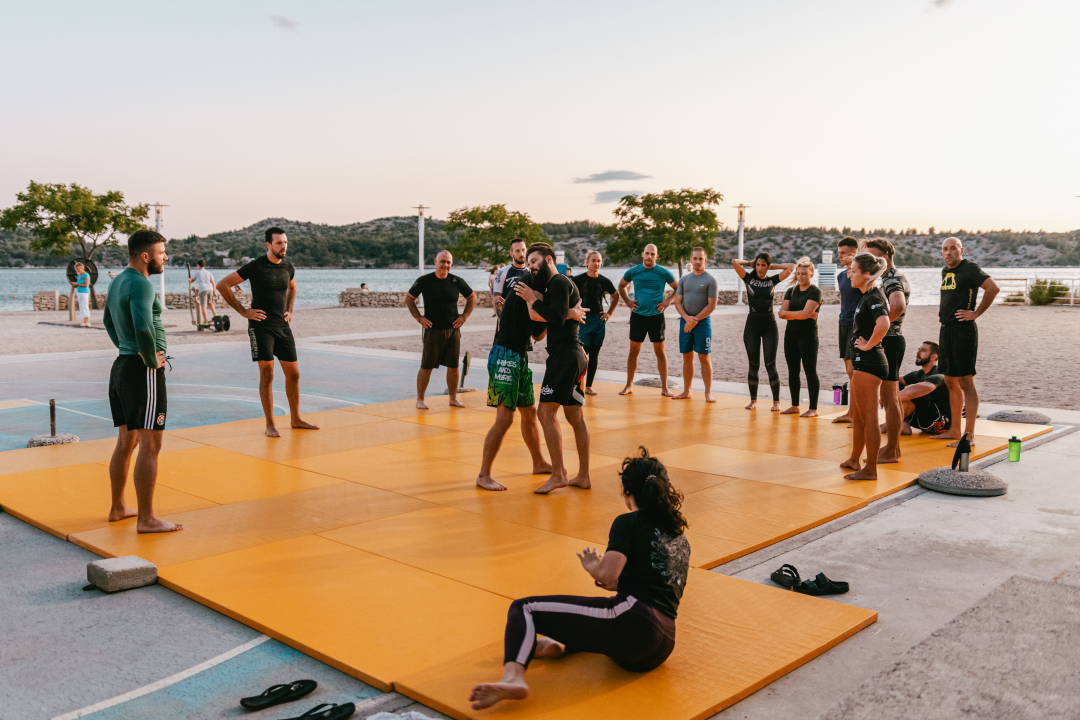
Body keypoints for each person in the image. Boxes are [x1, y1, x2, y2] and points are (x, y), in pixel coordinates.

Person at [469, 447, 689, 711]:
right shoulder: (679, 537)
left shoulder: (629, 522)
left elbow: (608, 576)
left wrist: (593, 566)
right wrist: (608, 578)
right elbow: (635, 584)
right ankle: (559, 644)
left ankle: (512, 678)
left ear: (627, 493)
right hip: (660, 648)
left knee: (524, 608)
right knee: (600, 615)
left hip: (635, 624)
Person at [101, 230, 182, 534]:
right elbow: (144, 328)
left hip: (123, 366)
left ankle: (118, 507)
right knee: (151, 444)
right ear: (146, 256)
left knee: (127, 441)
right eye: (161, 253)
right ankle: (146, 519)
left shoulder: (118, 281)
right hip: (142, 371)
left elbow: (108, 322)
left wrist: (125, 347)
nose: (165, 257)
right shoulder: (141, 284)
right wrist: (149, 359)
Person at [217, 227, 320, 437]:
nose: (284, 246)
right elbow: (223, 285)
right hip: (261, 326)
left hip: (282, 325)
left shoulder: (288, 267)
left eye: (285, 242)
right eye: (279, 243)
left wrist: (290, 310)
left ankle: (296, 418)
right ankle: (270, 424)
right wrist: (243, 311)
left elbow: (292, 288)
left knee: (294, 374)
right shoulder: (256, 266)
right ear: (268, 245)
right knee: (267, 374)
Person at [514, 243, 590, 495]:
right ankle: (584, 476)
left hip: (565, 357)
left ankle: (558, 475)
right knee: (575, 417)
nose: (531, 267)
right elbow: (549, 320)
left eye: (534, 261)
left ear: (549, 259)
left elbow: (555, 318)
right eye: (529, 263)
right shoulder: (558, 284)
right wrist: (537, 302)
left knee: (545, 413)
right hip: (575, 356)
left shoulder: (558, 282)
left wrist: (531, 299)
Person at [476, 267, 555, 491]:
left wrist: (547, 311)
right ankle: (483, 475)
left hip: (519, 357)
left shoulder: (534, 295)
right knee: (505, 418)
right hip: (504, 355)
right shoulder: (526, 287)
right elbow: (539, 332)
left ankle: (539, 462)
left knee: (529, 412)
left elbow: (537, 334)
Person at [933, 237, 999, 446]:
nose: (948, 252)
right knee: (950, 381)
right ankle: (954, 430)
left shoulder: (970, 268)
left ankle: (969, 435)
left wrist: (976, 313)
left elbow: (993, 288)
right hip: (946, 330)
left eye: (953, 248)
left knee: (965, 382)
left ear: (961, 250)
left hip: (963, 331)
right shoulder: (945, 271)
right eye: (945, 249)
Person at [840, 252, 891, 481]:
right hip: (864, 363)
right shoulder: (866, 296)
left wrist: (869, 345)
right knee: (859, 418)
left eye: (854, 271)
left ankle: (870, 469)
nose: (850, 274)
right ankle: (854, 459)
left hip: (869, 363)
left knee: (869, 420)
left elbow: (884, 323)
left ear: (867, 274)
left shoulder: (873, 297)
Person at [405, 250, 476, 410]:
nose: (445, 265)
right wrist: (419, 318)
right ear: (435, 261)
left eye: (448, 262)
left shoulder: (456, 281)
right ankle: (420, 399)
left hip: (453, 330)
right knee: (426, 366)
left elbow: (472, 297)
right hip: (432, 330)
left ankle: (453, 398)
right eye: (443, 261)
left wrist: (464, 316)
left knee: (453, 366)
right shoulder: (424, 281)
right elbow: (409, 298)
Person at [864, 238, 910, 462]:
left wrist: (879, 327)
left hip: (890, 340)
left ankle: (891, 450)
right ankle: (894, 447)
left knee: (889, 398)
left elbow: (898, 305)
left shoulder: (891, 278)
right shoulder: (891, 276)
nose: (871, 262)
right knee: (893, 398)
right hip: (893, 339)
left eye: (874, 257)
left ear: (884, 257)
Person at [732, 252, 794, 411]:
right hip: (752, 325)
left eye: (763, 265)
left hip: (769, 325)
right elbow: (734, 262)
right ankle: (753, 400)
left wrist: (772, 267)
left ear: (768, 266)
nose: (760, 268)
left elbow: (791, 267)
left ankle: (776, 402)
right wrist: (750, 263)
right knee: (753, 364)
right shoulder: (748, 278)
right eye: (758, 265)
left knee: (770, 364)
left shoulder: (772, 280)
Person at [617, 244, 678, 396]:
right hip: (638, 317)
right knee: (633, 351)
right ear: (642, 254)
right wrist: (628, 302)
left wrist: (668, 301)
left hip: (656, 317)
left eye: (652, 254)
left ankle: (665, 388)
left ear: (657, 256)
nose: (649, 256)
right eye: (647, 253)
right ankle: (629, 385)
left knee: (660, 352)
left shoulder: (663, 272)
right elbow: (621, 285)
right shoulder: (634, 271)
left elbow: (679, 288)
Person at [672, 247, 718, 402]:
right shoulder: (684, 279)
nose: (697, 261)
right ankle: (687, 391)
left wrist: (695, 320)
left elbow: (711, 306)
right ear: (691, 259)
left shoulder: (710, 280)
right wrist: (687, 318)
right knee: (687, 356)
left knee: (704, 356)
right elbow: (678, 302)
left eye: (700, 259)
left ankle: (708, 393)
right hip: (685, 322)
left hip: (702, 323)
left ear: (705, 260)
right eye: (695, 258)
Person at [778, 257, 822, 417]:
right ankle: (795, 406)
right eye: (798, 273)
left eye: (804, 273)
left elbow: (799, 314)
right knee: (793, 371)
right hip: (790, 336)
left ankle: (813, 409)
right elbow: (781, 314)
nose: (801, 276)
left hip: (808, 336)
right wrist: (802, 314)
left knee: (810, 371)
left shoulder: (815, 291)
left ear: (811, 274)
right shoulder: (791, 291)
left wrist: (791, 314)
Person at [572, 250, 619, 396]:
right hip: (584, 320)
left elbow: (615, 296)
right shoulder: (578, 280)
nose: (596, 263)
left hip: (599, 320)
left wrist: (609, 313)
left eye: (599, 261)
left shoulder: (604, 281)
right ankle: (575, 384)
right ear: (587, 262)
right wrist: (573, 312)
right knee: (582, 354)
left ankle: (588, 386)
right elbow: (568, 294)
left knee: (594, 354)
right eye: (593, 260)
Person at [880, 341, 952, 436]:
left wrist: (888, 399)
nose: (917, 353)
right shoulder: (918, 374)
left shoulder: (939, 374)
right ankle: (904, 424)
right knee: (896, 383)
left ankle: (888, 425)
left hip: (941, 422)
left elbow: (913, 392)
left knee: (917, 392)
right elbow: (894, 381)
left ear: (934, 357)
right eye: (919, 350)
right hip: (923, 421)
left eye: (923, 350)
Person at [831, 237, 863, 424]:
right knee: (849, 372)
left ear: (854, 253)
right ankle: (852, 412)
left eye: (843, 253)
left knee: (854, 372)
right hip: (842, 323)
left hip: (856, 325)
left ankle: (856, 414)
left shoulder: (861, 274)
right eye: (839, 253)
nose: (839, 256)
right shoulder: (841, 276)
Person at [492, 239, 529, 319]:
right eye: (517, 251)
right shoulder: (502, 272)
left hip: (526, 320)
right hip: (507, 319)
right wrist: (501, 321)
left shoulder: (531, 272)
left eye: (523, 250)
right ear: (511, 254)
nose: (521, 254)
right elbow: (497, 298)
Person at [188, 259, 216, 326]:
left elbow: (192, 280)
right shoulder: (209, 273)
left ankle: (205, 321)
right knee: (209, 303)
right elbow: (213, 283)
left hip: (203, 290)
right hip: (210, 289)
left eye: (197, 265)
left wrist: (189, 280)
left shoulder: (197, 272)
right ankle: (215, 314)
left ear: (198, 265)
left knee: (203, 306)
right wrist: (214, 292)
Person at [71, 261, 91, 327]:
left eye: (78, 268)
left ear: (82, 268)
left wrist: (76, 284)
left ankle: (88, 321)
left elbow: (86, 285)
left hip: (85, 292)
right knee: (81, 306)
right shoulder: (78, 275)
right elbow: (78, 283)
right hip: (79, 291)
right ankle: (84, 321)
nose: (77, 270)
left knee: (85, 306)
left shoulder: (86, 275)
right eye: (76, 269)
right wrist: (75, 284)